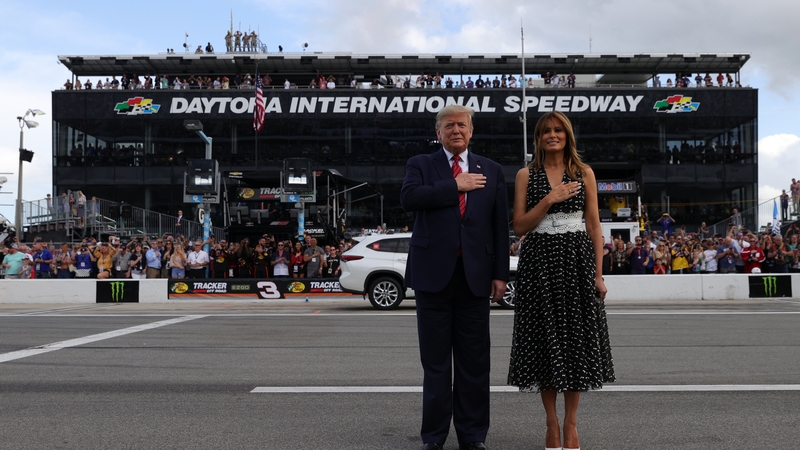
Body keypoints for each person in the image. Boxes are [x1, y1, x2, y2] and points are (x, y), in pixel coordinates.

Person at [400, 105, 509, 450]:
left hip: (475, 279)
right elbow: (409, 199)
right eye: (449, 125)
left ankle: (473, 437)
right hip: (433, 278)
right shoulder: (421, 164)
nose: (456, 130)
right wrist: (454, 185)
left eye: (462, 125)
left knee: (475, 366)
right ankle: (433, 438)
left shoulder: (491, 170)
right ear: (439, 132)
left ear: (471, 131)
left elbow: (498, 229)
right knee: (435, 366)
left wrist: (500, 275)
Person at [506, 111, 614, 450]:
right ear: (538, 138)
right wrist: (550, 199)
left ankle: (570, 422)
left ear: (567, 135)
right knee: (543, 345)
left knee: (574, 344)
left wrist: (598, 273)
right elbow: (520, 226)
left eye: (558, 130)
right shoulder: (527, 174)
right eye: (546, 131)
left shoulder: (584, 173)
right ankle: (550, 421)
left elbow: (594, 225)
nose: (552, 135)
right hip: (539, 263)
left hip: (576, 262)